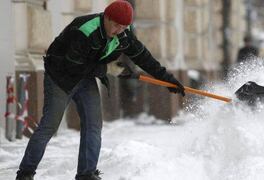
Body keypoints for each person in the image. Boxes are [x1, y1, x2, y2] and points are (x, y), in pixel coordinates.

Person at [15, 1, 185, 180]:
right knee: (49, 126)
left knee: (93, 125)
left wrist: (168, 80)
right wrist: (108, 70)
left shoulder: (124, 35)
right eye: (116, 25)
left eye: (124, 27)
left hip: (85, 78)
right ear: (106, 17)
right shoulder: (84, 30)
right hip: (60, 76)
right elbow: (73, 65)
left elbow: (144, 57)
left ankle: (86, 174)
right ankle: (25, 173)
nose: (119, 30)